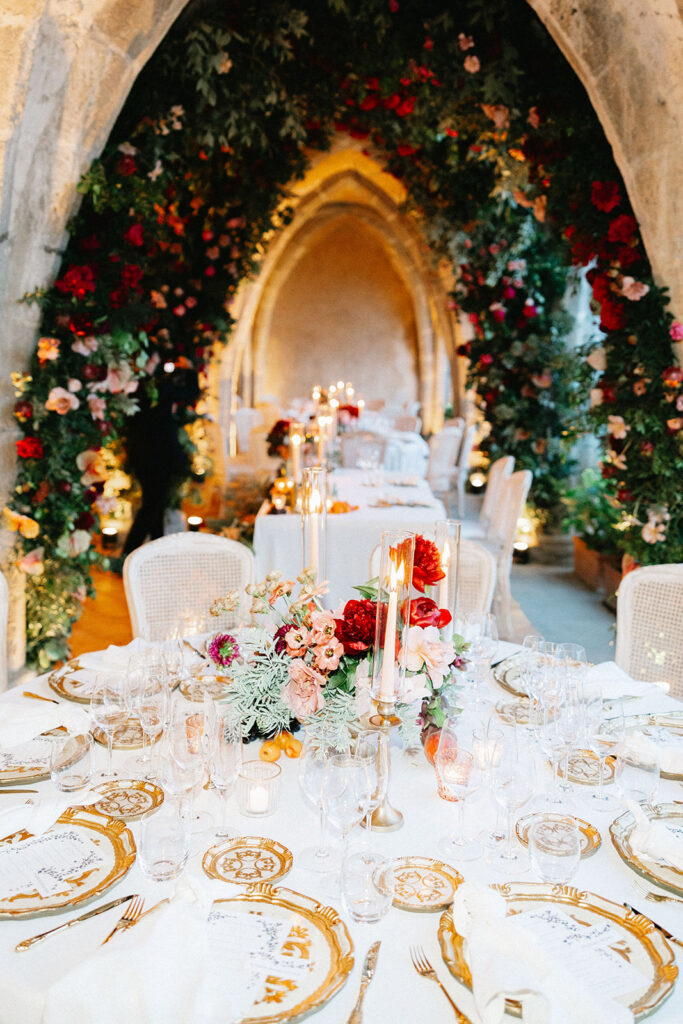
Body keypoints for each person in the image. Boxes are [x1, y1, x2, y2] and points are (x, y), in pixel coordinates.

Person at [122, 357, 199, 555]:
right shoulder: (156, 388)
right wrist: (190, 369)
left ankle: (155, 552)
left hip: (142, 454)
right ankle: (130, 553)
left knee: (155, 504)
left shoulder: (135, 387)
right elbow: (191, 393)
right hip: (158, 455)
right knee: (152, 506)